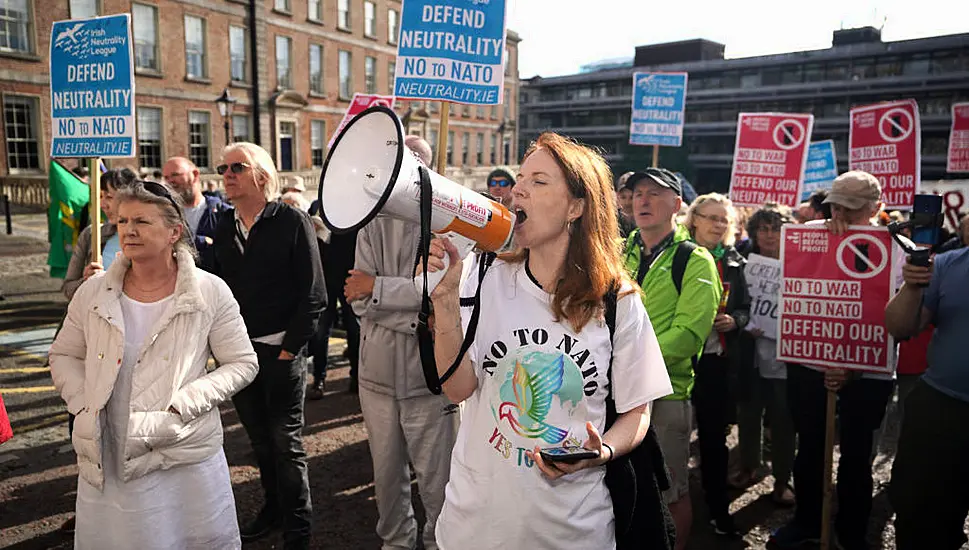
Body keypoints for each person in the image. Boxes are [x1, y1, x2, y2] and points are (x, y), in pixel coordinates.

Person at [425, 132, 672, 549]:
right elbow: (458, 387)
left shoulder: (617, 301)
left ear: (577, 206)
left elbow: (637, 412)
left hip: (572, 531)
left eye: (539, 181)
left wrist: (602, 452)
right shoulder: (481, 275)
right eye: (520, 178)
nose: (518, 188)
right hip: (477, 524)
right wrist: (446, 301)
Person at [48, 180, 259, 549]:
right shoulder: (93, 291)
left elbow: (241, 363)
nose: (128, 230)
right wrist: (83, 404)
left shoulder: (209, 291)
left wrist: (183, 405)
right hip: (108, 452)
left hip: (179, 448)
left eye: (142, 222)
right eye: (123, 220)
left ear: (174, 231)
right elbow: (63, 354)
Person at [210, 142, 326, 550]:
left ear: (261, 174)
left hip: (281, 354)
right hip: (239, 357)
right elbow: (208, 284)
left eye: (236, 167)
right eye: (223, 167)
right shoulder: (223, 226)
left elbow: (314, 294)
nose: (226, 174)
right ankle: (273, 509)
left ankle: (299, 526)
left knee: (285, 443)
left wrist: (289, 350)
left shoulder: (292, 220)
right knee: (258, 441)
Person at [771, 171, 895, 550]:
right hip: (809, 365)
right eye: (835, 204)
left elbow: (896, 316)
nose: (840, 212)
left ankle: (852, 530)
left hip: (869, 369)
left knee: (858, 455)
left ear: (877, 207)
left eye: (852, 208)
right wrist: (818, 232)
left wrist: (853, 364)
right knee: (809, 447)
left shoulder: (896, 246)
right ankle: (808, 520)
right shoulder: (810, 234)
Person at [346, 135, 456, 550]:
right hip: (375, 378)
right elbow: (356, 297)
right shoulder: (370, 220)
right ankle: (396, 543)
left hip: (428, 380)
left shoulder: (447, 219)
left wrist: (378, 291)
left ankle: (439, 543)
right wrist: (408, 303)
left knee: (437, 479)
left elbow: (444, 292)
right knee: (386, 477)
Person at [621, 167, 722, 549]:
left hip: (666, 394)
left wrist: (626, 362)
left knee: (671, 490)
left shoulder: (695, 260)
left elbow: (688, 335)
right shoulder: (619, 251)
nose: (642, 200)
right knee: (625, 486)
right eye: (638, 193)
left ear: (678, 205)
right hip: (617, 392)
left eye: (655, 193)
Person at [885, 234, 969, 550]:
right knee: (922, 519)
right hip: (941, 408)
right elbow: (899, 327)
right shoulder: (948, 264)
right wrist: (912, 286)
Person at [682, 193, 751, 534]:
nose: (717, 224)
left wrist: (735, 321)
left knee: (713, 439)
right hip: (680, 360)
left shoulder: (736, 261)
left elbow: (745, 307)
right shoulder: (677, 256)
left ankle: (718, 510)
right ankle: (673, 508)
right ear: (693, 219)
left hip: (715, 361)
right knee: (676, 437)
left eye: (723, 219)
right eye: (710, 217)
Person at [733, 203, 797, 507]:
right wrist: (744, 323)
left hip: (785, 358)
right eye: (764, 229)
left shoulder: (800, 263)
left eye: (776, 228)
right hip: (750, 355)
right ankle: (749, 466)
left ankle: (784, 479)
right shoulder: (742, 263)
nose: (770, 235)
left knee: (785, 419)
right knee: (748, 413)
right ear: (755, 232)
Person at [62, 168, 139, 301]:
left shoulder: (153, 235)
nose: (102, 204)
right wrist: (87, 282)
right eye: (100, 196)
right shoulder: (91, 235)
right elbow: (68, 289)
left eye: (109, 197)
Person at [162, 157, 229, 271]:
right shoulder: (164, 215)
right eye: (166, 177)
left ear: (195, 174)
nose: (170, 181)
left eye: (175, 175)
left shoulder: (222, 212)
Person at [614, 171, 637, 238]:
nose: (627, 202)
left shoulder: (646, 220)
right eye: (623, 197)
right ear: (617, 197)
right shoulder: (611, 221)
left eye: (631, 197)